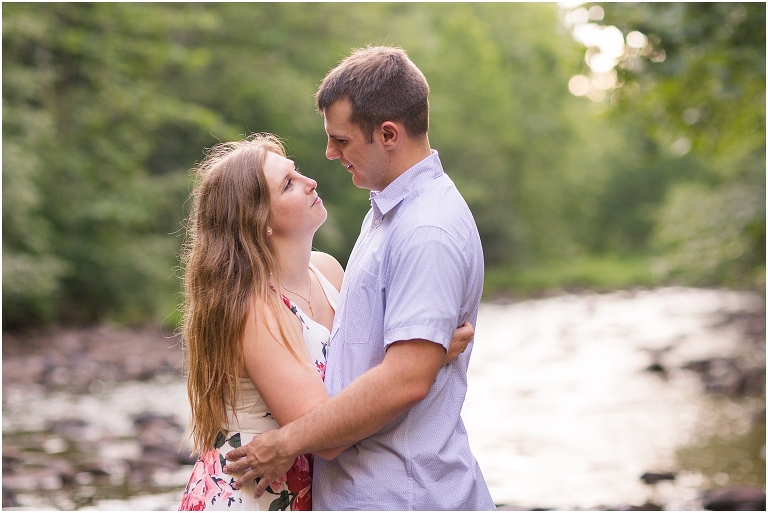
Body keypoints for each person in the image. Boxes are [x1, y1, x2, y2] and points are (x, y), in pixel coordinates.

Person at [223, 46, 495, 510]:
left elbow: (405, 381)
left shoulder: (425, 229)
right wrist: (425, 353)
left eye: (342, 140)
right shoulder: (386, 212)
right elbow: (379, 356)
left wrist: (287, 442)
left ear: (388, 134)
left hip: (404, 494)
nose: (329, 155)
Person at [177, 133, 473, 511]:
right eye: (288, 184)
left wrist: (414, 351)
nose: (309, 181)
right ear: (260, 221)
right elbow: (325, 434)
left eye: (296, 171)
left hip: (311, 490)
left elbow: (360, 361)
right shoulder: (253, 308)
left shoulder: (328, 270)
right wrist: (423, 356)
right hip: (251, 498)